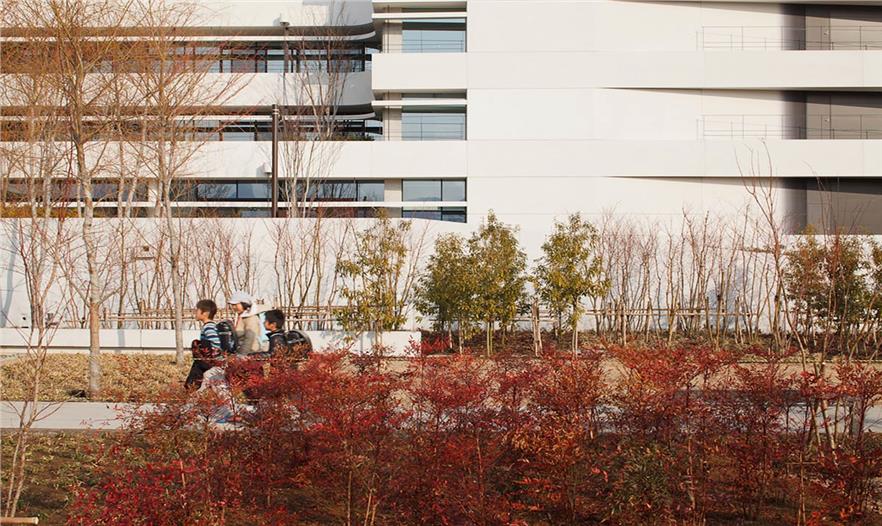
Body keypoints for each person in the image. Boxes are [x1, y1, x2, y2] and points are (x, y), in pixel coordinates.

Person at [185, 299, 222, 390]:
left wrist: (213, 358)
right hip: (211, 362)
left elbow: (216, 343)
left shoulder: (209, 327)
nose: (195, 313)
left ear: (205, 313)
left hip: (211, 363)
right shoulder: (210, 326)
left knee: (193, 384)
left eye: (197, 310)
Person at [228, 290, 261, 356]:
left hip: (250, 353)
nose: (233, 307)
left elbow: (249, 339)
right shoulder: (240, 317)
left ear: (244, 304)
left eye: (236, 305)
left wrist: (241, 354)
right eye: (232, 305)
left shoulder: (251, 318)